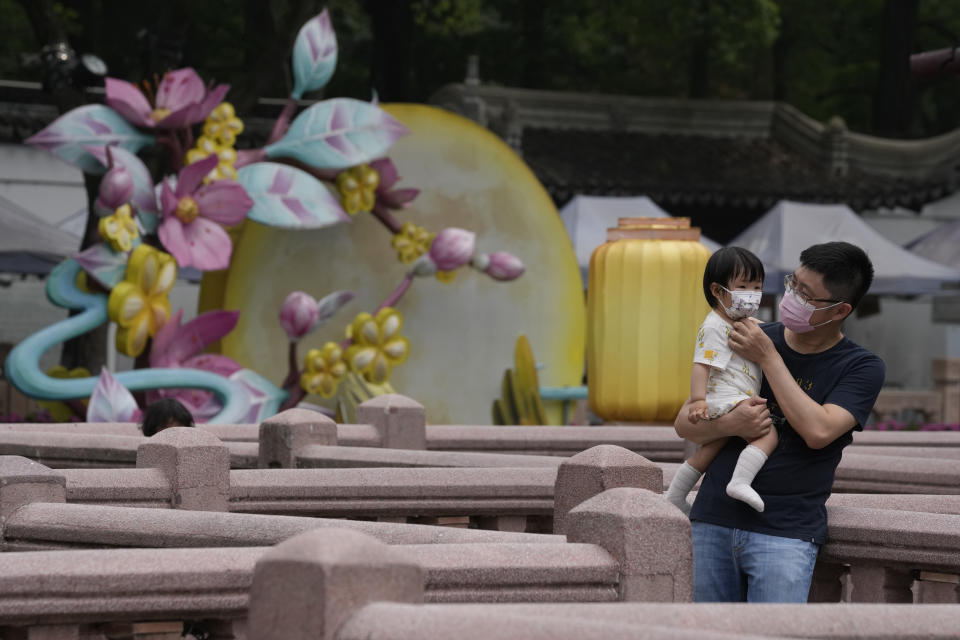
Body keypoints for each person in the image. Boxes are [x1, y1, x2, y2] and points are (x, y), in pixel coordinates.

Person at [673, 241, 884, 603]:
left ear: (840, 310)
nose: (792, 296)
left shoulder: (860, 367)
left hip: (785, 532)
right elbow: (686, 423)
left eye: (806, 294)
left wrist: (768, 357)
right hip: (712, 519)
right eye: (793, 284)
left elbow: (818, 431)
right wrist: (731, 424)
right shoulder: (748, 333)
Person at [665, 247, 777, 515]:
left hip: (728, 397)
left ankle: (676, 494)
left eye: (756, 286)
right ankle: (740, 481)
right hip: (728, 397)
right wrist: (698, 400)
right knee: (767, 433)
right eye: (742, 286)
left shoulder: (740, 321)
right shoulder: (714, 326)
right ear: (717, 291)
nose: (751, 293)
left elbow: (766, 330)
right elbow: (701, 365)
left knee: (710, 448)